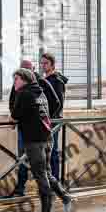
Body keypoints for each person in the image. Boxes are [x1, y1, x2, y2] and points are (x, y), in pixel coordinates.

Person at [10, 68, 76, 212]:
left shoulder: (24, 93)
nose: (14, 83)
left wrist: (18, 118)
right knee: (46, 173)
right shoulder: (40, 92)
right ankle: (67, 200)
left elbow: (13, 117)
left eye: (16, 79)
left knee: (41, 175)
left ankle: (46, 211)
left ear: (24, 80)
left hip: (34, 140)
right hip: (47, 137)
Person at [7, 59, 60, 198]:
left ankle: (48, 204)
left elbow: (55, 102)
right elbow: (13, 103)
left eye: (26, 68)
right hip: (37, 132)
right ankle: (63, 197)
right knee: (27, 162)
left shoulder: (38, 85)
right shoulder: (25, 87)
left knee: (41, 171)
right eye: (22, 68)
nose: (23, 70)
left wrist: (45, 118)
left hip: (37, 134)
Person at [40, 52, 68, 180]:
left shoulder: (57, 80)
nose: (43, 66)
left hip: (53, 121)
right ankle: (49, 179)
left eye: (46, 63)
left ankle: (56, 180)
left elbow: (59, 103)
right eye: (42, 63)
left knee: (53, 151)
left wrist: (51, 119)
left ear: (52, 65)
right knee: (46, 151)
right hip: (45, 121)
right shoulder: (44, 80)